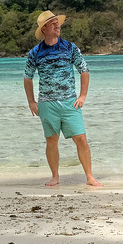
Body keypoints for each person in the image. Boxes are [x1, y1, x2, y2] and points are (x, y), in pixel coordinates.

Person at [23, 11, 102, 187]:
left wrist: (82, 96)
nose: (57, 26)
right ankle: (55, 177)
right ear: (44, 29)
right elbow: (27, 77)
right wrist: (31, 101)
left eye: (57, 23)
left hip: (69, 101)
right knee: (51, 140)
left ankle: (89, 177)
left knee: (81, 138)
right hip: (46, 103)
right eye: (53, 24)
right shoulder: (35, 52)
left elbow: (84, 70)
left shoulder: (70, 47)